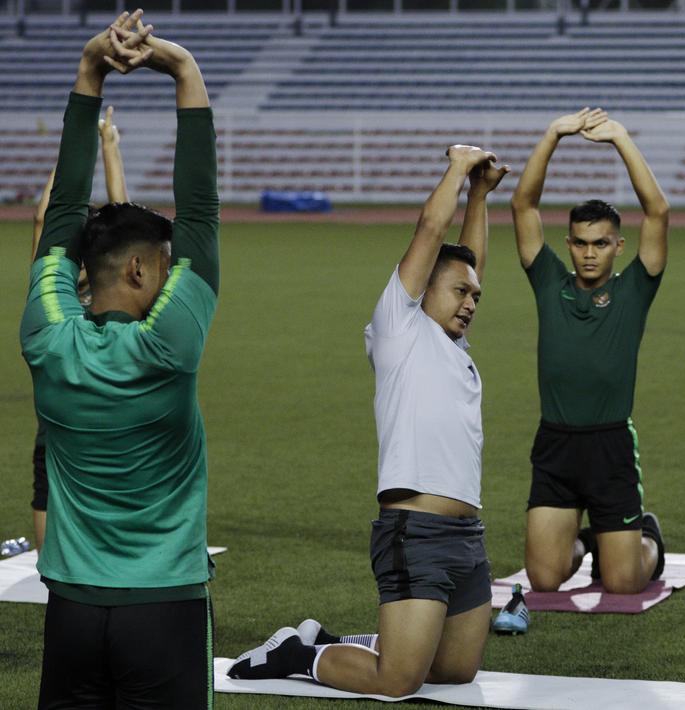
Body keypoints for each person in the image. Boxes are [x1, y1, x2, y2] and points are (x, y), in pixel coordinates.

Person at [228, 146, 509, 698]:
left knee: (455, 671)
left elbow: (464, 259)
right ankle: (299, 653)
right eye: (459, 292)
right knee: (400, 681)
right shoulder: (399, 331)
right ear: (421, 288)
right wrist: (458, 168)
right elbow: (432, 232)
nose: (471, 301)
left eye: (476, 295)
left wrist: (480, 194)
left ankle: (339, 639)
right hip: (416, 532)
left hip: (466, 536)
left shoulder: (453, 344)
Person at [20, 12, 220, 708]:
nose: (171, 274)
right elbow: (201, 213)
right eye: (163, 266)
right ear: (137, 269)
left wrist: (88, 71)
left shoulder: (47, 335)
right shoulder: (169, 348)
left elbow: (63, 212)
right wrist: (183, 71)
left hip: (72, 609)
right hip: (162, 606)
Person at [510, 108, 669, 595]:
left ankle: (649, 541)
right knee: (545, 578)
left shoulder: (634, 290)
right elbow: (523, 205)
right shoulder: (549, 282)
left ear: (619, 245)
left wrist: (621, 139)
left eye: (600, 243)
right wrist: (553, 132)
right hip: (556, 444)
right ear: (569, 244)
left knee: (624, 581)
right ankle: (589, 541)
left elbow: (658, 212)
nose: (589, 253)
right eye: (580, 243)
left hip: (609, 447)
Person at [28, 105, 127, 552]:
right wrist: (103, 147)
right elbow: (121, 218)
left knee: (47, 486)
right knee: (55, 488)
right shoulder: (113, 290)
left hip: (64, 416)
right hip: (108, 415)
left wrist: (87, 148)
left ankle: (56, 582)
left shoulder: (52, 294)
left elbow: (42, 217)